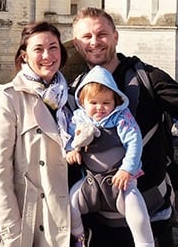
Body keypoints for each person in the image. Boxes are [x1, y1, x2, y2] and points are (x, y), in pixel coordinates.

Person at [71, 7, 178, 247]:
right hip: (98, 223)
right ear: (76, 44)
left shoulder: (148, 78)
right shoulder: (75, 90)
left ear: (116, 36)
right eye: (86, 37)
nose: (95, 42)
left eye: (102, 34)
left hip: (150, 218)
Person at [0, 21, 73, 246]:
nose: (47, 55)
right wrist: (11, 232)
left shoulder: (69, 100)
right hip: (24, 222)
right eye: (38, 49)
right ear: (24, 56)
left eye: (53, 47)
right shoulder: (7, 99)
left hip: (57, 221)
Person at [65, 65, 155, 247]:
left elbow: (134, 142)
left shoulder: (122, 118)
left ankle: (146, 244)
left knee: (138, 216)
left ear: (115, 102)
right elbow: (69, 136)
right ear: (83, 103)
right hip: (91, 183)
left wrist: (127, 169)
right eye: (94, 103)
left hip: (121, 182)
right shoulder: (79, 118)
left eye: (106, 103)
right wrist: (71, 150)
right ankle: (79, 238)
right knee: (69, 205)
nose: (100, 108)